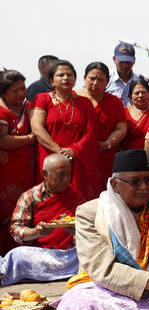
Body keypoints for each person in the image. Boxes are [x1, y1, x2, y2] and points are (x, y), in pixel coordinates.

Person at [52, 149, 149, 310]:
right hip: (105, 289)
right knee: (79, 304)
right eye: (135, 182)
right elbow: (103, 269)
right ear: (115, 185)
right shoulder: (89, 213)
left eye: (147, 180)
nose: (144, 188)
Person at [2, 154, 84, 285]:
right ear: (45, 174)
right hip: (40, 255)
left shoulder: (76, 197)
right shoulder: (30, 197)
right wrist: (36, 232)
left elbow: (88, 231)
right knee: (17, 255)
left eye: (69, 174)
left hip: (68, 256)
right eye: (61, 175)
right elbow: (15, 230)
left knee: (89, 252)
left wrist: (75, 232)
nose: (66, 179)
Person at [30, 60, 100, 200]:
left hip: (78, 158)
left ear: (75, 79)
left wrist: (73, 150)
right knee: (49, 198)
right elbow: (37, 128)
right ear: (51, 80)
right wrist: (59, 152)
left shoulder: (85, 103)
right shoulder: (42, 99)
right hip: (49, 156)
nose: (66, 78)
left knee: (77, 200)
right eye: (60, 75)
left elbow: (90, 133)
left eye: (69, 75)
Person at [0, 70, 38, 253]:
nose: (22, 93)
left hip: (27, 169)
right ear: (3, 92)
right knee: (6, 210)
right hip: (6, 172)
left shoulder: (28, 106)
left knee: (26, 207)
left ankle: (25, 249)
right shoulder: (1, 110)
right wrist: (31, 138)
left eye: (23, 88)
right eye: (15, 90)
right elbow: (3, 140)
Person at [78, 62, 127, 189]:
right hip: (79, 156)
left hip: (106, 157)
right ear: (84, 78)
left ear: (107, 82)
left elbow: (121, 128)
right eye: (92, 78)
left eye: (100, 80)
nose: (95, 83)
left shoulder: (114, 102)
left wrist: (106, 144)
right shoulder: (74, 98)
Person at [123, 77, 149, 149]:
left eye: (143, 92)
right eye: (136, 93)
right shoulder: (123, 112)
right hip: (126, 156)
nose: (140, 95)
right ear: (130, 96)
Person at [106, 42, 141, 106]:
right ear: (114, 59)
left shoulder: (140, 81)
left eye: (128, 62)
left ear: (134, 61)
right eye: (121, 62)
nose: (125, 65)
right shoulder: (105, 79)